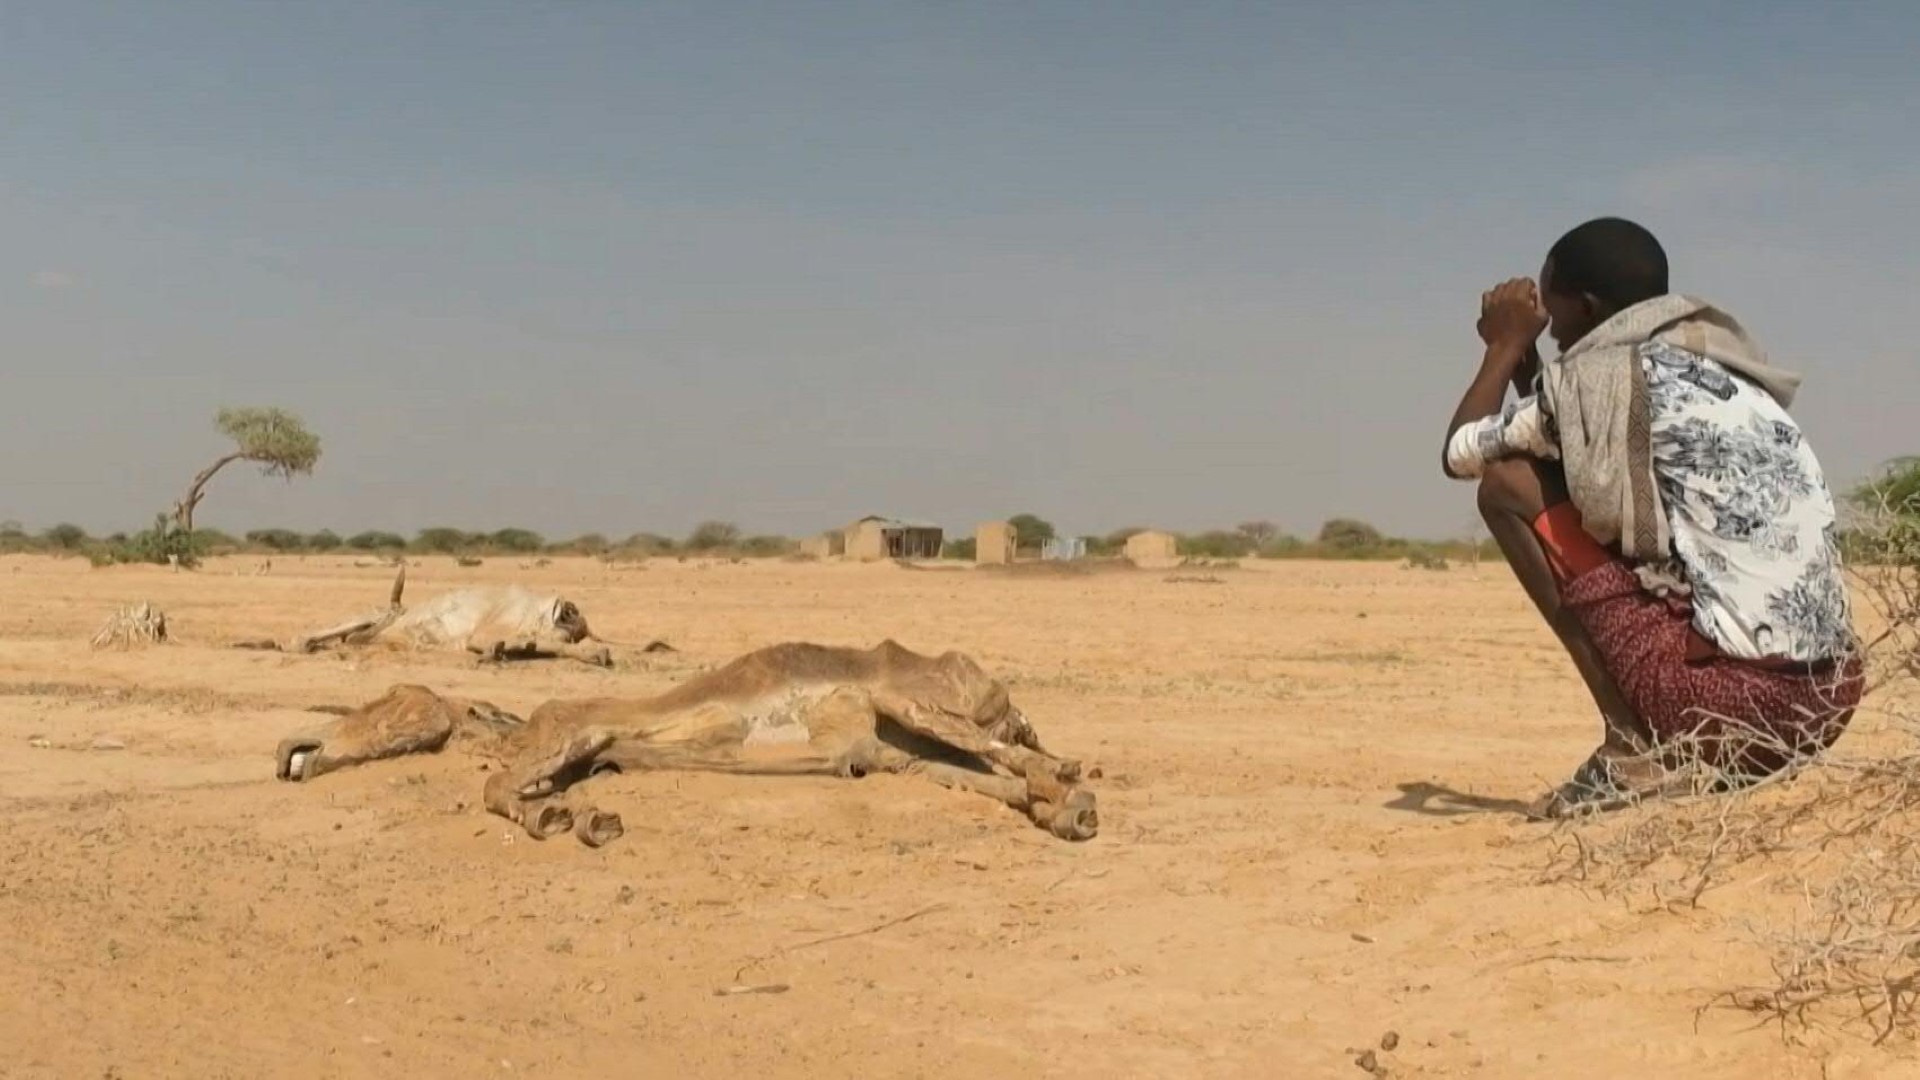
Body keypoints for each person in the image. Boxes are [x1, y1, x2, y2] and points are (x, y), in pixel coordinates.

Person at [1441, 217, 1862, 818]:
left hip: (1737, 707)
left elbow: (1460, 452)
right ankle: (1676, 752)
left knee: (1504, 484)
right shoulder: (1722, 370)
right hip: (1824, 703)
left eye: (1552, 316)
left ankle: (1631, 749)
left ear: (1584, 308)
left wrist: (1504, 344)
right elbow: (1572, 450)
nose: (1550, 331)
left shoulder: (1606, 378)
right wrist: (1530, 362)